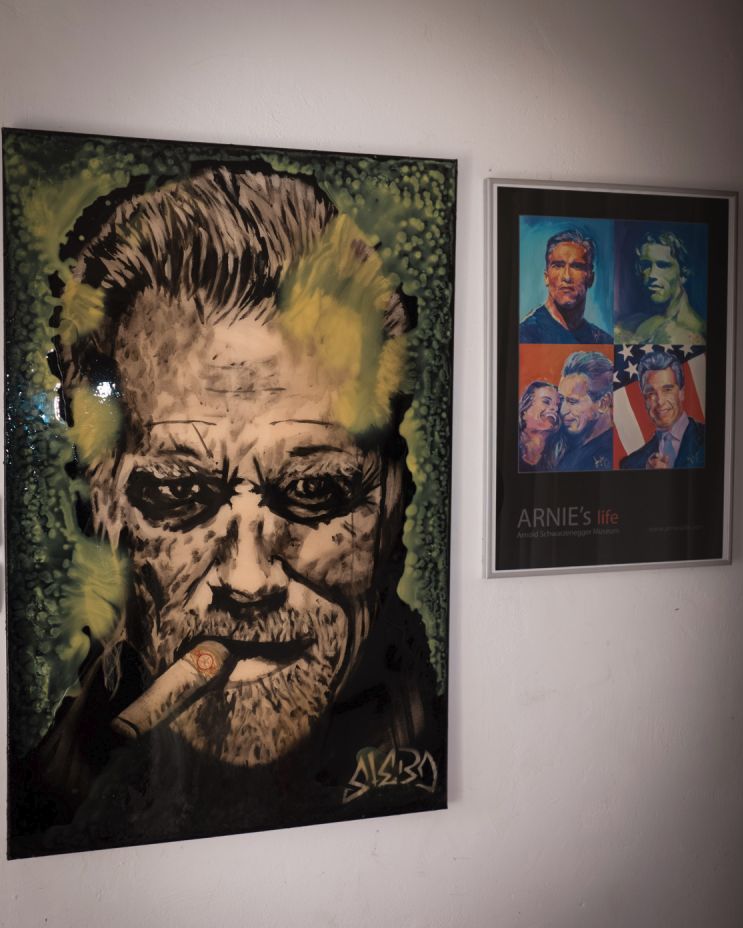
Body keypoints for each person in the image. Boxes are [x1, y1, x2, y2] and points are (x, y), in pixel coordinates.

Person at [13, 165, 444, 855]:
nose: (247, 578)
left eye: (316, 490)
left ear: (393, 500)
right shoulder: (45, 806)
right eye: (178, 494)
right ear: (106, 507)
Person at [520, 229, 613, 345]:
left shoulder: (603, 341)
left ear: (590, 278)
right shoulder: (526, 335)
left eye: (577, 266)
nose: (567, 277)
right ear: (546, 277)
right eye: (558, 266)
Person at [614, 231, 706, 345]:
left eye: (663, 265)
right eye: (646, 265)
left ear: (683, 273)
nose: (652, 275)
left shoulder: (697, 332)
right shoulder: (629, 324)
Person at [620, 353, 705, 470]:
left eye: (667, 390)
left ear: (681, 393)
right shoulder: (631, 464)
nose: (660, 401)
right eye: (651, 393)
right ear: (645, 400)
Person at [555, 351, 614, 472]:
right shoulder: (561, 442)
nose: (562, 410)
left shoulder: (612, 452)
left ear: (603, 403)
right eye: (561, 399)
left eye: (573, 401)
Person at [518, 380, 563, 471]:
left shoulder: (562, 453)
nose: (555, 408)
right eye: (546, 401)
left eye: (558, 405)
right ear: (524, 411)